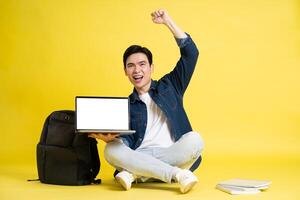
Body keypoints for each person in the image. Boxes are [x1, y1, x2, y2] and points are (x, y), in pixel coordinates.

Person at [88, 9, 204, 194]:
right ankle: (178, 174)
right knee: (111, 150)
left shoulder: (171, 85)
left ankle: (135, 174)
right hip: (140, 152)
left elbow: (191, 54)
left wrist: (168, 22)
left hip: (171, 151)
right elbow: (127, 141)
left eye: (142, 64)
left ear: (151, 67)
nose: (137, 70)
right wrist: (110, 138)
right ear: (125, 71)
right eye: (130, 66)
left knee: (195, 140)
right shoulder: (125, 106)